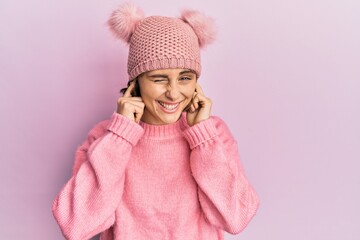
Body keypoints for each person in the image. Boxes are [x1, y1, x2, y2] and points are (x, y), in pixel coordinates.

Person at [52, 3, 259, 240]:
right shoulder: (105, 137)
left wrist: (203, 137)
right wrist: (121, 136)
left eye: (184, 78)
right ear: (136, 82)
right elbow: (76, 226)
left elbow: (236, 217)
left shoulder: (213, 133)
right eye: (159, 78)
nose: (173, 93)